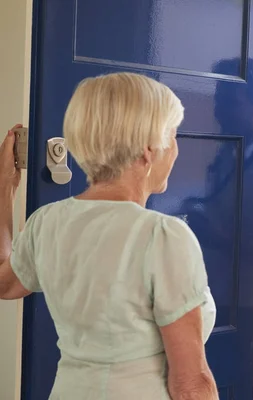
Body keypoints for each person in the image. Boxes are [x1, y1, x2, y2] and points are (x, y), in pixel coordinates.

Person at [0, 72, 219, 400]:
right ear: (149, 149)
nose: (175, 151)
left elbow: (5, 284)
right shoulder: (164, 236)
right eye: (173, 137)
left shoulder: (45, 223)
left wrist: (6, 186)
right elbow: (190, 384)